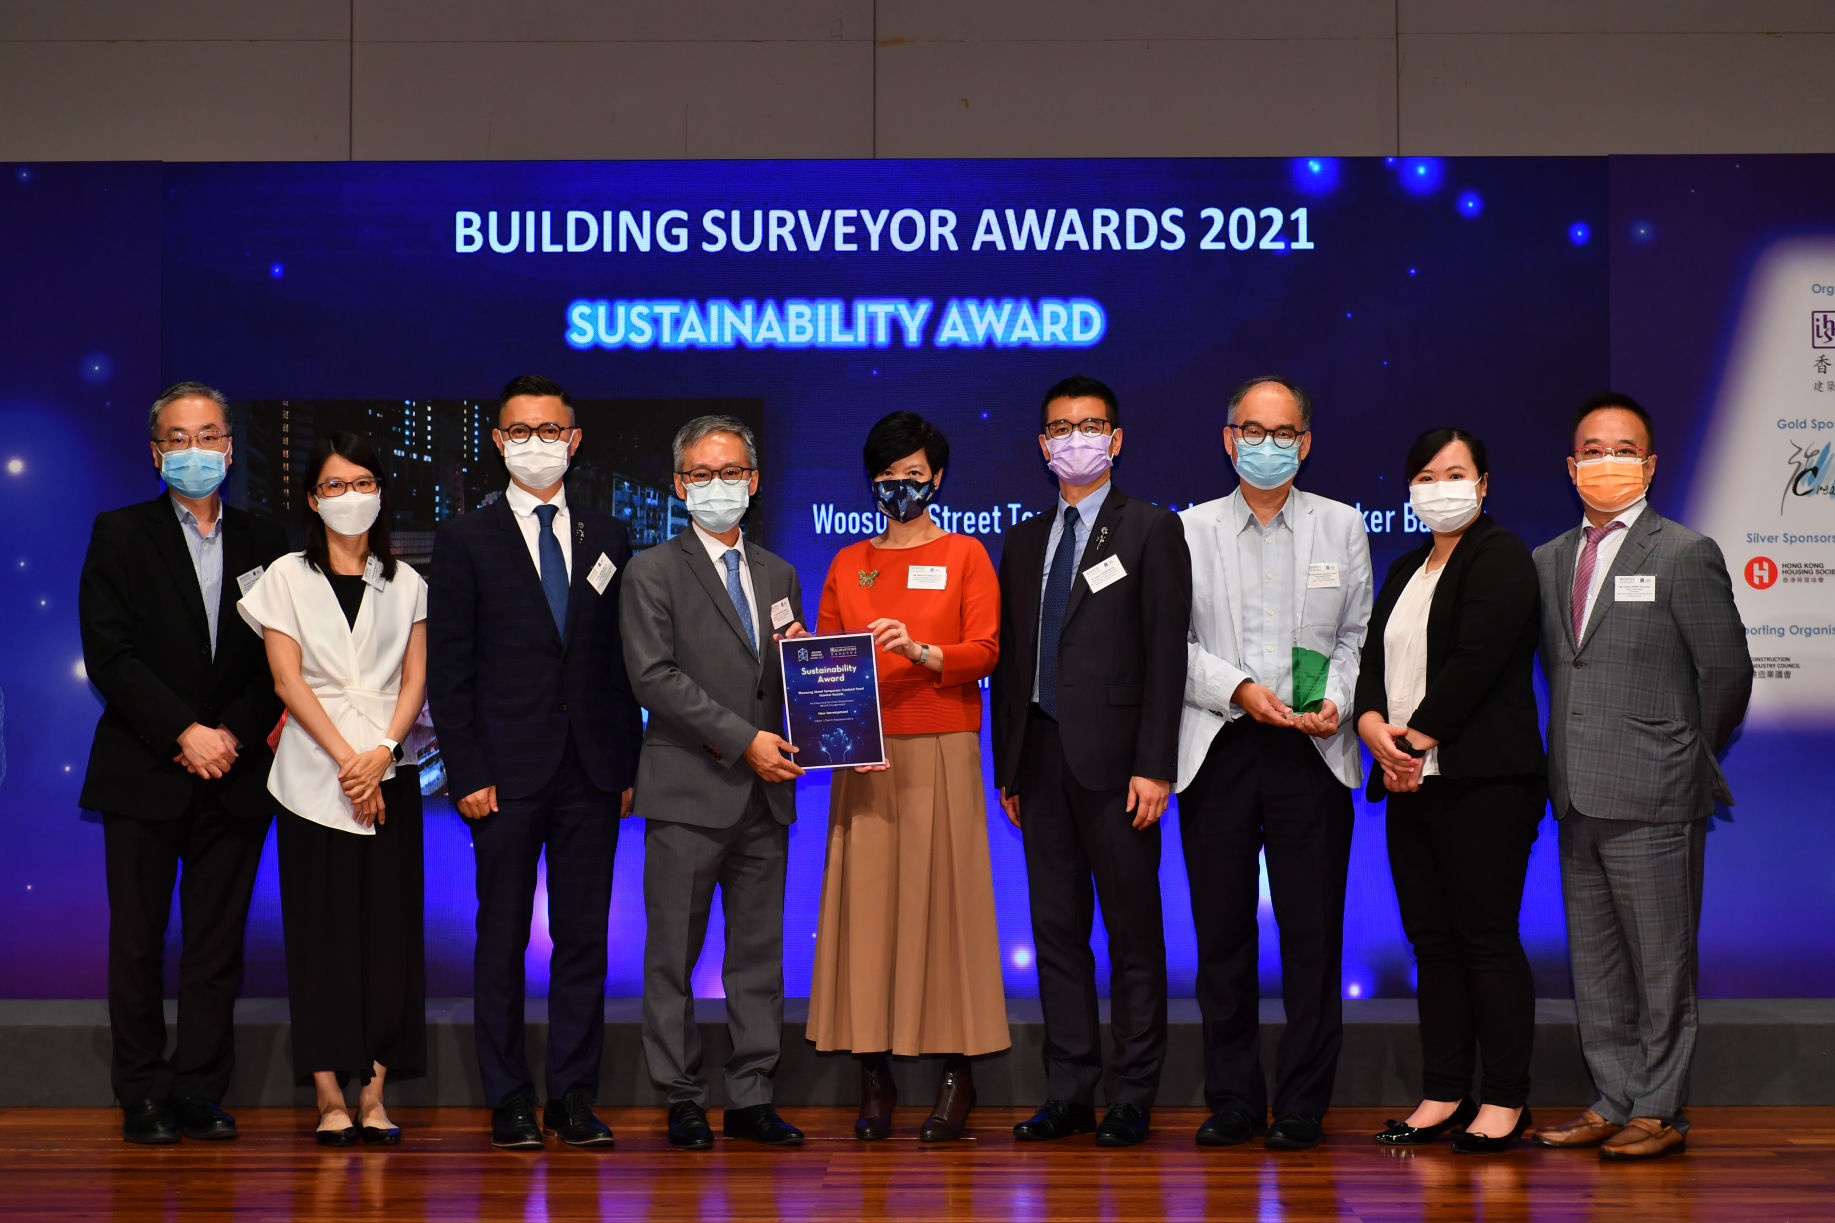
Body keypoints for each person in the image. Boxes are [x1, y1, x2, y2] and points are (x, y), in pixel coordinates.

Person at [1527, 392, 1752, 1161]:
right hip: (1575, 791)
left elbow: (1725, 673)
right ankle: (1613, 1097)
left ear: (1649, 465)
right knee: (1595, 964)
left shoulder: (1684, 553)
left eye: (1623, 450)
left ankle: (1657, 1107)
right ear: (1571, 465)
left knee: (1661, 964)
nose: (1606, 462)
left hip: (1655, 793)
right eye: (1592, 449)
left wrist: (1680, 752)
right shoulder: (1547, 559)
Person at [426, 375, 644, 1150]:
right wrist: (465, 770)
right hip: (503, 775)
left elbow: (621, 662)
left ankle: (574, 1096)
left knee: (584, 939)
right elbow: (449, 670)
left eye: (550, 430)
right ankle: (509, 1097)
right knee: (502, 938)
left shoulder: (609, 534)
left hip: (594, 772)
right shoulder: (464, 539)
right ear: (497, 440)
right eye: (519, 430)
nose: (536, 443)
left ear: (573, 440)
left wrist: (627, 767)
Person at [78, 381, 288, 1145]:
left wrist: (229, 734)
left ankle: (200, 1088)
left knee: (215, 946)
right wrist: (183, 731)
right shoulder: (119, 533)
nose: (193, 450)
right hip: (144, 769)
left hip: (234, 771)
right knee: (137, 942)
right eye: (178, 437)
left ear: (229, 448)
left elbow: (280, 661)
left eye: (208, 436)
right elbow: (111, 654)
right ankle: (140, 1091)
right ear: (155, 451)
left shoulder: (269, 540)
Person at [990, 374, 1191, 1149]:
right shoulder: (1021, 539)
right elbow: (1011, 665)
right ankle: (1068, 1091)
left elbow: (1165, 656)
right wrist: (1008, 766)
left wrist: (1155, 764)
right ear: (1042, 445)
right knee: (1057, 933)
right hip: (1039, 761)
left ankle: (1132, 1093)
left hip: (1119, 769)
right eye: (1059, 428)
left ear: (1115, 439)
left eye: (1089, 425)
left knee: (1133, 936)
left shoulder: (1150, 529)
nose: (1074, 438)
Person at [1174, 375, 1372, 1151]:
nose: (1266, 445)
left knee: (1312, 936)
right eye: (1251, 431)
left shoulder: (1341, 524)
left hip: (1311, 749)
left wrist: (1337, 700)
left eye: (1282, 432)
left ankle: (1301, 1103)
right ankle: (1230, 1098)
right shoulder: (1187, 528)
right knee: (1221, 936)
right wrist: (1238, 688)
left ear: (1305, 442)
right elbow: (1172, 643)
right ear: (1228, 439)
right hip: (1219, 743)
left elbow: (1355, 637)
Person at [806, 411, 1007, 1143]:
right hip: (863, 754)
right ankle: (873, 1073)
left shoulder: (965, 554)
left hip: (943, 745)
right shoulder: (846, 562)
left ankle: (959, 1072)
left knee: (949, 905)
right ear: (871, 482)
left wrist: (920, 650)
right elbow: (828, 663)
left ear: (938, 479)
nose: (901, 486)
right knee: (865, 912)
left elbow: (986, 649)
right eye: (888, 476)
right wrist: (808, 660)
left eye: (913, 475)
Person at [1352, 428, 1544, 1154]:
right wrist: (1371, 722)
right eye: (1426, 477)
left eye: (1455, 474)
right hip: (1410, 784)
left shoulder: (1501, 555)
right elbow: (1371, 661)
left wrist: (1411, 741)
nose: (1441, 488)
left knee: (1485, 939)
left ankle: (1504, 1099)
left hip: (1484, 783)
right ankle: (1443, 1092)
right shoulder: (1406, 566)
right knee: (1431, 943)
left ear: (1483, 484)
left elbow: (1475, 662)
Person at [620, 414, 808, 1151]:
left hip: (766, 795)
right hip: (688, 790)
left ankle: (753, 1094)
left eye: (730, 473)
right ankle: (681, 1096)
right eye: (701, 474)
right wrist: (744, 742)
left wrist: (821, 691)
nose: (717, 486)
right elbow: (654, 677)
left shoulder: (779, 573)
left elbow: (784, 680)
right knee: (672, 954)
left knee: (758, 956)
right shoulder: (652, 570)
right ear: (679, 485)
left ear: (753, 482)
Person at [237, 433, 428, 1147]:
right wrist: (352, 763)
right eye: (335, 485)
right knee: (319, 937)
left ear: (380, 492)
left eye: (363, 483)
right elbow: (287, 680)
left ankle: (373, 1092)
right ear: (313, 500)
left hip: (389, 774)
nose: (351, 497)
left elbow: (415, 680)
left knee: (389, 936)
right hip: (312, 779)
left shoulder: (407, 582)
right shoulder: (284, 576)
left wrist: (381, 755)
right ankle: (326, 1094)